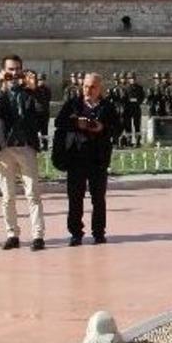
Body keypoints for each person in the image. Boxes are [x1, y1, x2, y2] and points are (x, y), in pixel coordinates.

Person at [0, 54, 49, 251]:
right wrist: (2, 87)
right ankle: (12, 234)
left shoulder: (30, 91)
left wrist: (35, 90)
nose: (14, 73)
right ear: (4, 70)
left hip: (26, 146)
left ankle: (38, 235)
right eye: (10, 69)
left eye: (17, 69)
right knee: (8, 196)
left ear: (22, 70)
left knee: (32, 193)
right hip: (5, 148)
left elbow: (42, 113)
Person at [56, 72, 120, 245]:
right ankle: (76, 233)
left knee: (98, 197)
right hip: (76, 157)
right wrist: (77, 123)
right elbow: (59, 123)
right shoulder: (73, 104)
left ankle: (99, 232)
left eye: (92, 87)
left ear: (100, 88)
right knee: (75, 197)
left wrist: (102, 127)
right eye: (85, 86)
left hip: (98, 158)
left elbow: (117, 128)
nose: (88, 90)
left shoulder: (107, 106)